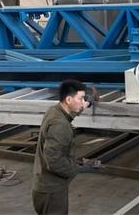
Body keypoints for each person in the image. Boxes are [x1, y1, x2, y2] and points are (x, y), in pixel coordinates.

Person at [32, 79, 100, 214]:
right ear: (69, 99)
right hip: (52, 192)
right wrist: (80, 168)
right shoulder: (60, 126)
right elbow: (54, 162)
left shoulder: (54, 111)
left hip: (44, 186)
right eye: (81, 98)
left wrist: (90, 101)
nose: (83, 102)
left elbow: (72, 112)